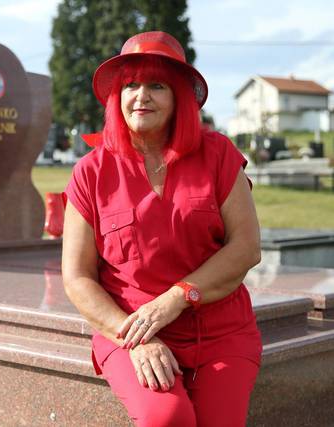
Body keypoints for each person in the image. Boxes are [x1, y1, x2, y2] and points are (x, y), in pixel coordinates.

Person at [62, 31, 262, 427]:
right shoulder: (91, 171)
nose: (142, 96)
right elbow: (77, 277)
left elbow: (246, 248)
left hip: (220, 332)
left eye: (157, 85)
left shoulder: (218, 154)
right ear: (116, 97)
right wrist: (131, 335)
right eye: (131, 85)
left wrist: (175, 299)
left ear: (180, 98)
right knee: (166, 417)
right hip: (130, 328)